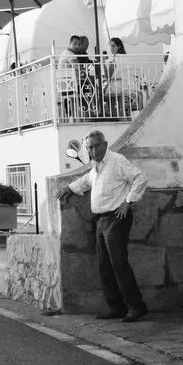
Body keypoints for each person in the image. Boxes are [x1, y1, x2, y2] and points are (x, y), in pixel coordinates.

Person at [58, 130, 149, 322]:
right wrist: (68, 188)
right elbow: (86, 181)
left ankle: (136, 306)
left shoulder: (117, 160)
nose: (93, 150)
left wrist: (128, 201)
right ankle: (116, 307)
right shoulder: (96, 166)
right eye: (89, 147)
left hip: (116, 217)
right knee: (105, 267)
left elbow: (140, 178)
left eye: (96, 146)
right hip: (101, 220)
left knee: (119, 264)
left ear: (105, 145)